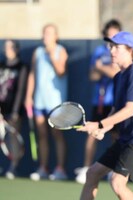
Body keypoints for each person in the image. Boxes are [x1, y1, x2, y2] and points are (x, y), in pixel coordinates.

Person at [77, 31, 133, 200]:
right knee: (92, 173)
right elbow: (116, 109)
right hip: (126, 138)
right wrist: (103, 128)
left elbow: (129, 110)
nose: (111, 51)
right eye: (110, 46)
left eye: (116, 47)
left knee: (117, 182)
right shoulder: (119, 77)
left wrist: (98, 125)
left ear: (130, 50)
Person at [75, 19, 122, 184]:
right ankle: (86, 168)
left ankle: (117, 170)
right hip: (99, 101)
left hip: (115, 102)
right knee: (92, 133)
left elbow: (116, 73)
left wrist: (101, 68)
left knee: (116, 136)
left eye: (115, 35)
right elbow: (92, 75)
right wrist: (103, 70)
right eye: (109, 35)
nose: (112, 38)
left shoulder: (121, 52)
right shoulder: (99, 51)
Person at [25, 23, 69, 181]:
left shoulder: (60, 51)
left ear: (56, 36)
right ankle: (43, 167)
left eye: (49, 33)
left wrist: (51, 55)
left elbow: (61, 72)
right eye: (44, 33)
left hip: (56, 102)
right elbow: (32, 74)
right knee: (42, 134)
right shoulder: (37, 52)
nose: (46, 36)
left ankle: (60, 169)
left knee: (57, 134)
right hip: (39, 101)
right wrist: (28, 96)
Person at [0, 39, 27, 179]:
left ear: (16, 49)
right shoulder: (1, 65)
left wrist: (15, 111)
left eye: (9, 47)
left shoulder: (22, 67)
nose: (7, 50)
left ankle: (13, 168)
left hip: (13, 110)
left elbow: (21, 90)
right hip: (1, 109)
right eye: (5, 47)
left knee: (13, 138)